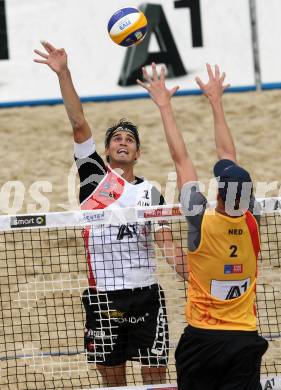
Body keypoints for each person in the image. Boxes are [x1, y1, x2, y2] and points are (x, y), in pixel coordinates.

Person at [34, 41, 186, 387]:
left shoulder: (150, 192)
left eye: (129, 139)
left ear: (137, 153)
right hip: (104, 297)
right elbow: (78, 122)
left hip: (146, 295)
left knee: (156, 379)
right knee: (113, 382)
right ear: (106, 150)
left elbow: (166, 241)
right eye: (116, 138)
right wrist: (64, 73)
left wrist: (192, 274)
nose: (122, 141)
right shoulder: (93, 179)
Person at [138, 62, 268, 389]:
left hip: (203, 340)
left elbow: (180, 159)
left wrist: (165, 106)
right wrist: (216, 102)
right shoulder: (253, 220)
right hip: (243, 339)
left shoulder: (200, 218)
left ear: (219, 197)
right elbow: (229, 155)